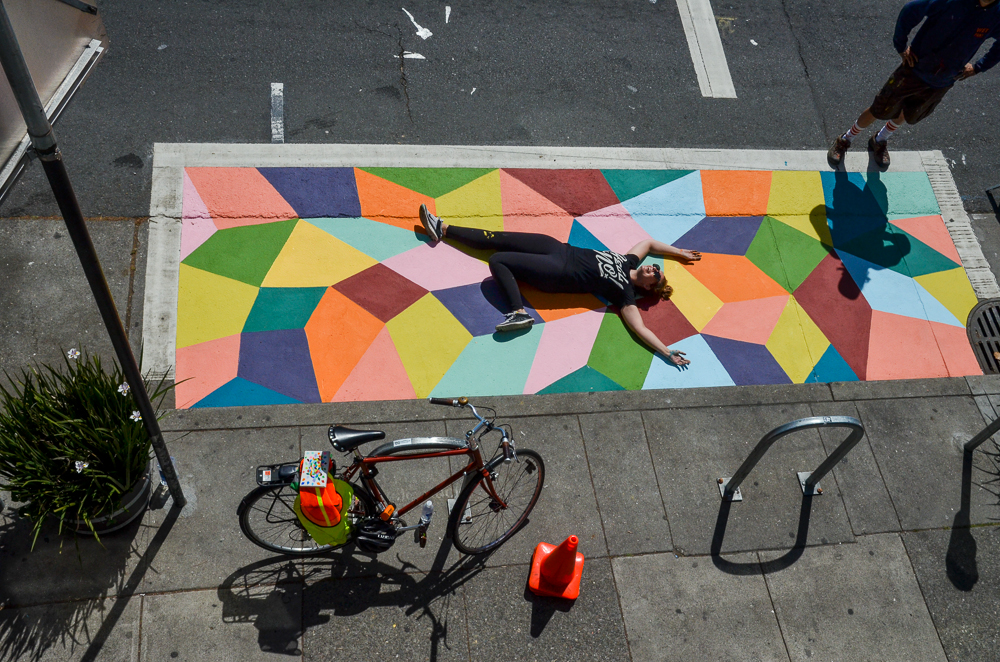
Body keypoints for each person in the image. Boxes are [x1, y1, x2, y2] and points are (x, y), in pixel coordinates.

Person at [419, 204, 701, 367]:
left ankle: (518, 312)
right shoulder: (628, 260)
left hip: (557, 272)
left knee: (499, 261)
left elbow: (640, 328)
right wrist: (679, 253)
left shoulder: (625, 294)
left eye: (657, 275)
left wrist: (666, 352)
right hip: (556, 248)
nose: (654, 267)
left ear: (650, 287)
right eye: (656, 267)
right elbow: (650, 243)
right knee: (498, 239)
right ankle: (442, 229)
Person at [828, 0, 1000, 169]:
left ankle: (880, 139)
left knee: (909, 112)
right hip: (914, 69)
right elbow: (911, 9)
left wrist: (979, 67)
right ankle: (846, 139)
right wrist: (901, 45)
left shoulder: (996, 14)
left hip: (944, 80)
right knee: (879, 109)